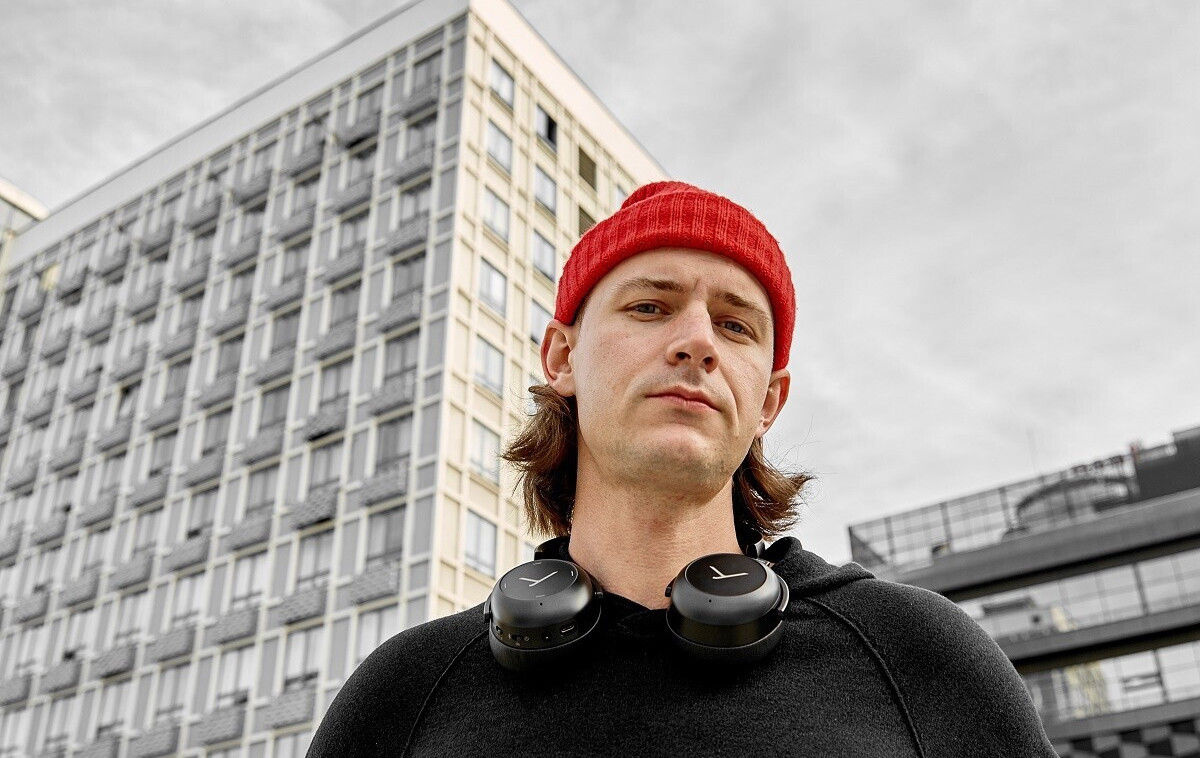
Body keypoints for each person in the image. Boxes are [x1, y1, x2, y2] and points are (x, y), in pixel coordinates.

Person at [308, 181, 1056, 757]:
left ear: (768, 401)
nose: (698, 341)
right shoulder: (405, 690)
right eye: (650, 307)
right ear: (561, 357)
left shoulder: (923, 656)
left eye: (734, 324)